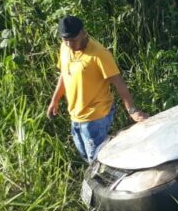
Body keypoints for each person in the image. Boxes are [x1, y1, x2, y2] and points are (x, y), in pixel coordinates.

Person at [46, 15, 149, 163]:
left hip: (95, 117)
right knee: (87, 157)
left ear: (83, 33)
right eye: (65, 39)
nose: (69, 44)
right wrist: (54, 100)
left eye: (73, 40)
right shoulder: (64, 48)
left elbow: (118, 82)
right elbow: (64, 73)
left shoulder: (99, 54)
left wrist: (132, 110)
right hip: (75, 115)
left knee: (98, 162)